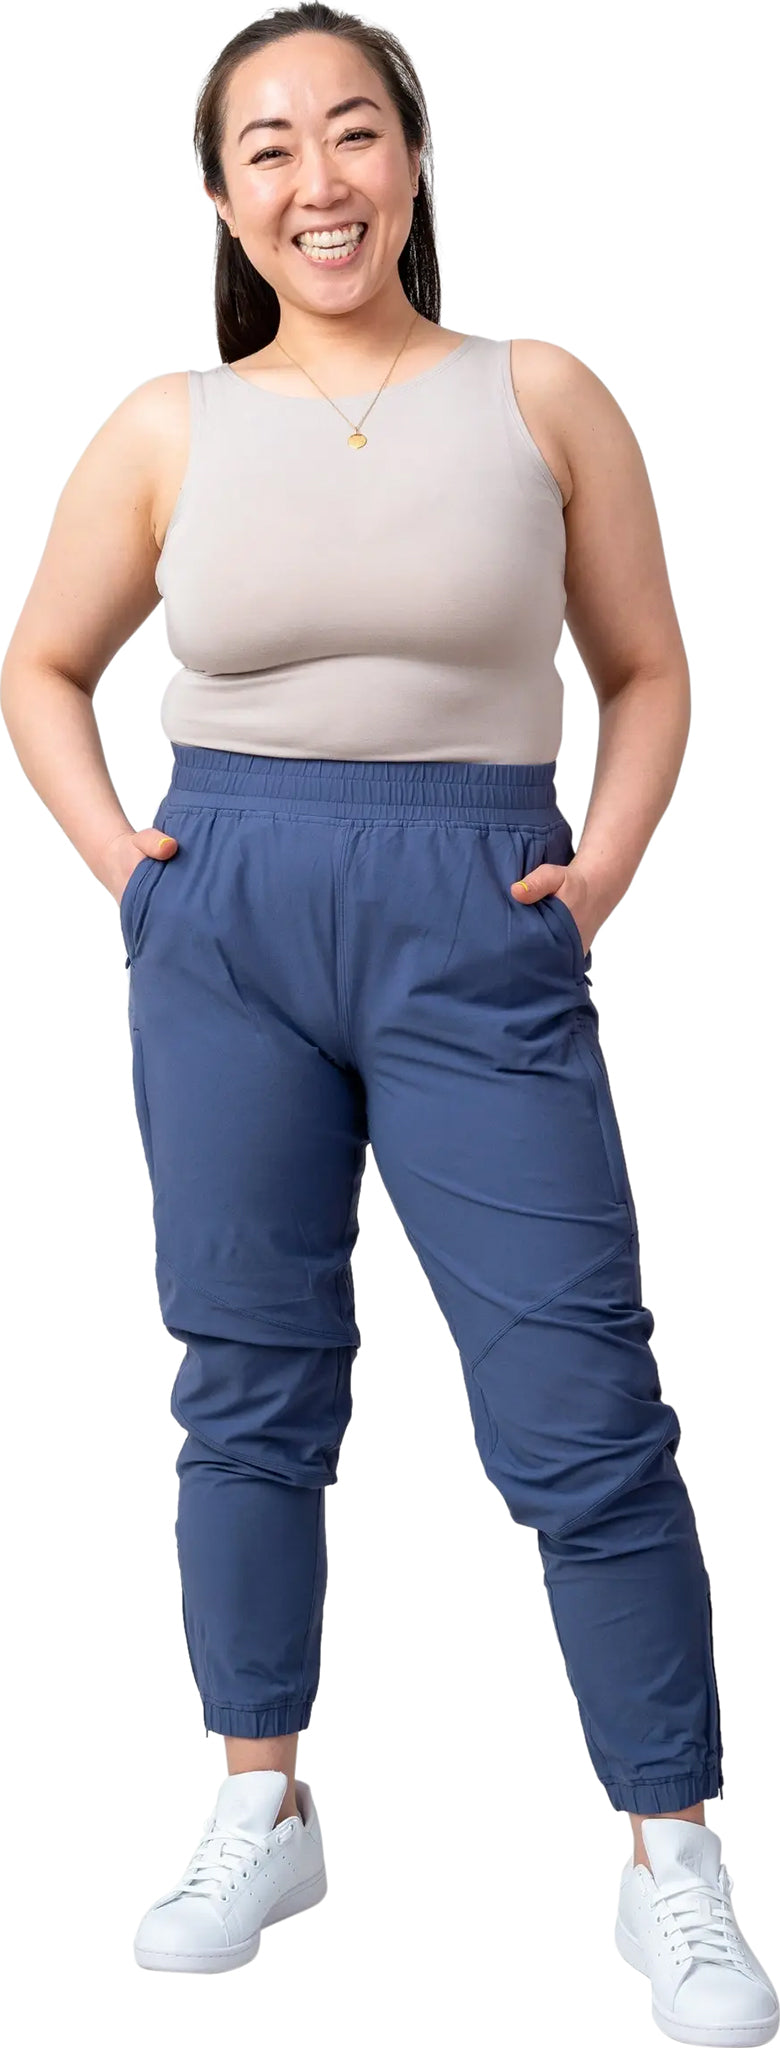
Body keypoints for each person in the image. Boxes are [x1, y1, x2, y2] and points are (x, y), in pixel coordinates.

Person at [2, 3, 777, 2032]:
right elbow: (40, 664)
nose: (318, 179)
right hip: (228, 921)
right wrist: (128, 869)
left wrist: (601, 870)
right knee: (247, 1379)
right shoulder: (169, 424)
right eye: (269, 146)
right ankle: (259, 1797)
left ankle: (675, 1855)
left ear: (411, 160)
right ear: (222, 197)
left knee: (580, 1400)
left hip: (472, 918)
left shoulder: (542, 395)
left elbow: (650, 668)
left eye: (353, 132)